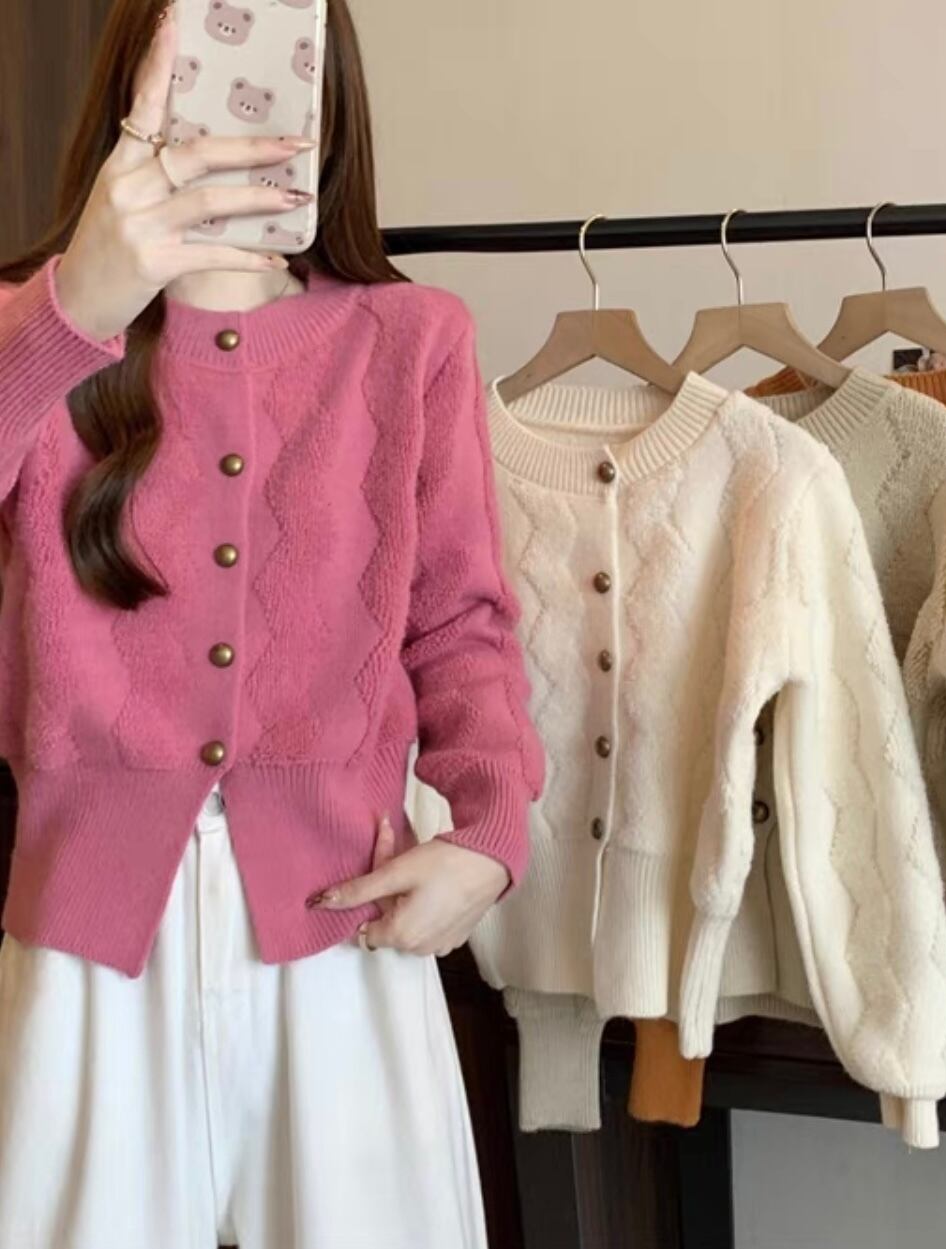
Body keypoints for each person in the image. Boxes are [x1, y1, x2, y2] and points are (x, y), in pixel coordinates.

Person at [0, 2, 544, 1245]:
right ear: (134, 81)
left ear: (324, 90)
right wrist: (76, 306)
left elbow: (461, 623)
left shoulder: (410, 340)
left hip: (347, 924)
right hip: (87, 948)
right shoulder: (33, 333)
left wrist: (490, 831)